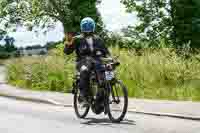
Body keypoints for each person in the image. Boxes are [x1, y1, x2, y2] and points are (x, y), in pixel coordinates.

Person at [64, 17, 110, 105]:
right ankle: (85, 95)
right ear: (82, 28)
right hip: (82, 62)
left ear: (93, 28)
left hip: (97, 62)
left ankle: (103, 96)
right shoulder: (77, 39)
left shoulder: (98, 39)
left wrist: (109, 59)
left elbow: (106, 52)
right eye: (86, 28)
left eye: (89, 27)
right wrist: (68, 43)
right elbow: (67, 52)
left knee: (106, 73)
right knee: (84, 71)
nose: (88, 30)